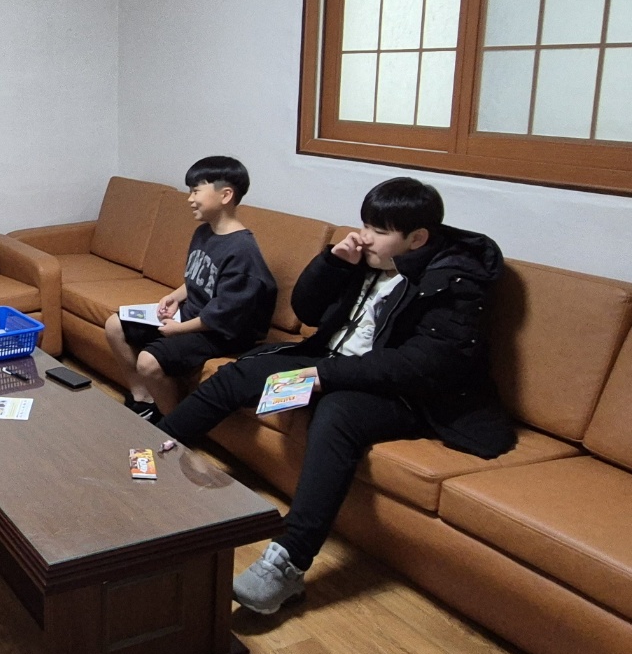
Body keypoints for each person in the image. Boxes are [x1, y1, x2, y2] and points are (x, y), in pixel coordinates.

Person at [156, 177, 515, 613]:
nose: (365, 237)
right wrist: (333, 263)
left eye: (378, 231)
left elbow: (423, 364)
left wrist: (323, 376)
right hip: (329, 362)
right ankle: (147, 452)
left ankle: (287, 562)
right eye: (364, 225)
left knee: (337, 411)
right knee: (238, 376)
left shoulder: (454, 279)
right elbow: (307, 311)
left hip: (409, 394)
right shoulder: (367, 257)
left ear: (417, 238)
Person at [103, 157, 276, 422]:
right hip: (191, 315)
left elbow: (225, 313)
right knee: (114, 325)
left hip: (219, 332)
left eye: (196, 191)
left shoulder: (243, 252)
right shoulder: (204, 233)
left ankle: (173, 425)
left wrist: (179, 329)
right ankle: (143, 399)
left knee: (148, 362)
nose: (190, 199)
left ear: (225, 195)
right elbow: (201, 278)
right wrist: (175, 296)